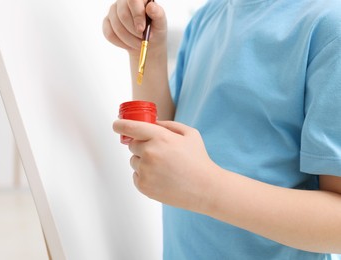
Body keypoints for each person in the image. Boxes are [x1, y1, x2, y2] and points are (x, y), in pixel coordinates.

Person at [102, 0, 341, 259]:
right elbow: (171, 149)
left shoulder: (330, 26)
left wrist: (206, 187)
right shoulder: (207, 17)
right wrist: (147, 53)